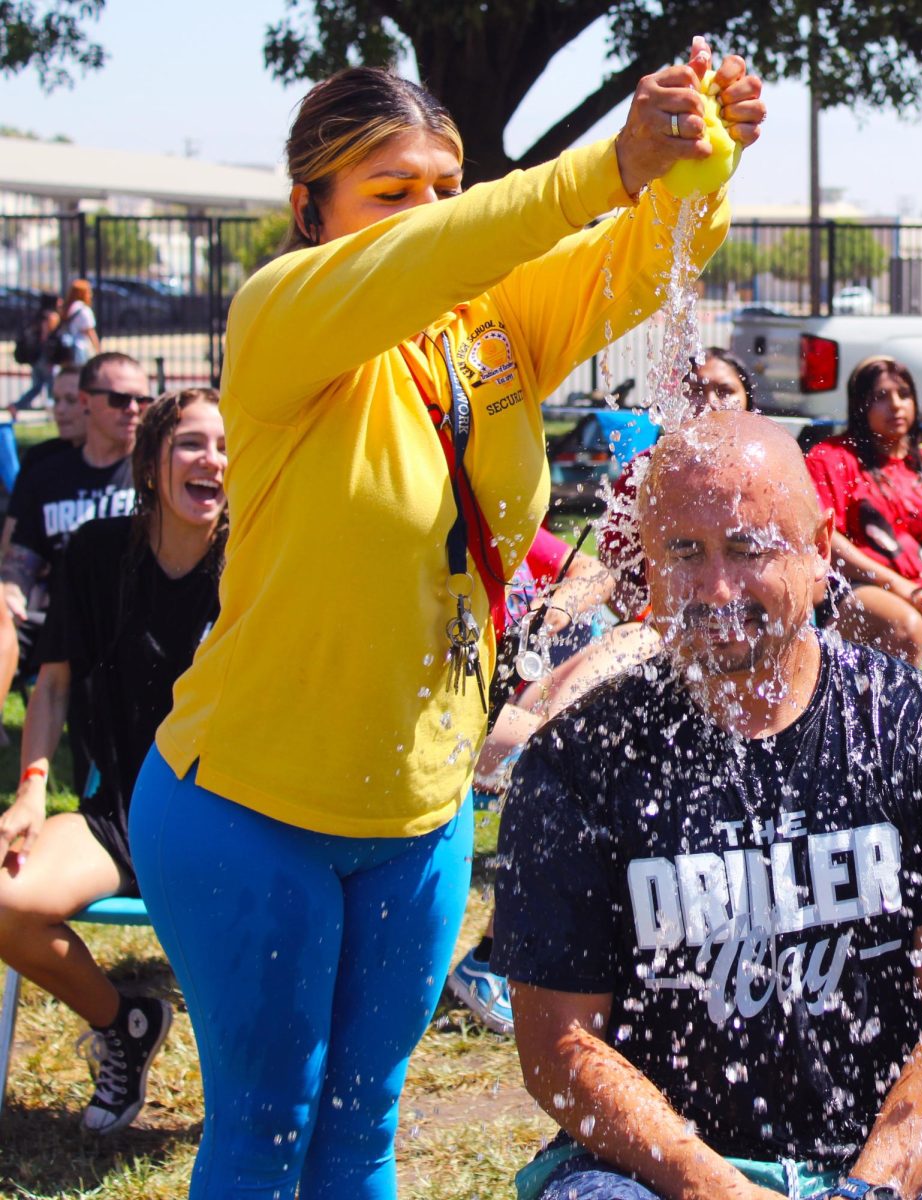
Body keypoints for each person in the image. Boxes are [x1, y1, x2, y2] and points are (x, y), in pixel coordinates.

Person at [127, 47, 765, 1200]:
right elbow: (459, 246)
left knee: (365, 1130)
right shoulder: (280, 315)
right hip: (241, 809)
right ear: (307, 211)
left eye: (443, 185)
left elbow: (631, 263)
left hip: (420, 817)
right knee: (266, 1127)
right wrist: (606, 164)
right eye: (388, 189)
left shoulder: (488, 328)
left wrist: (695, 159)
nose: (427, 212)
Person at [493, 410, 922, 1200]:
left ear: (821, 552)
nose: (717, 589)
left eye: (750, 548)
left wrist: (868, 1190)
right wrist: (706, 1184)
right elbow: (558, 1045)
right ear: (646, 563)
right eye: (685, 551)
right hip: (650, 1174)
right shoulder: (579, 762)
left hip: (889, 1165)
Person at [0, 388, 226, 1136]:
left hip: (237, 824)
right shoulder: (99, 553)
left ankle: (267, 1102)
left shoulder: (257, 563)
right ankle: (124, 1026)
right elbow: (54, 682)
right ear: (152, 461)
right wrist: (32, 791)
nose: (213, 460)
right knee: (4, 898)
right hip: (122, 814)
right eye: (192, 443)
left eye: (226, 446)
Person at [449, 526, 615, 1034]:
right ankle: (494, 958)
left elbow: (596, 573)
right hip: (451, 711)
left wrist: (555, 611)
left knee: (638, 638)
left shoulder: (503, 515)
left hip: (518, 700)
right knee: (569, 762)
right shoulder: (439, 518)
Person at [1, 351, 146, 791]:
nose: (135, 410)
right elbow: (19, 560)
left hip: (127, 617)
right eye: (121, 399)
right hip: (55, 614)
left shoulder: (152, 470)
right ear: (87, 401)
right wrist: (9, 591)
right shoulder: (48, 474)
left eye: (143, 399)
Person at [805, 356, 922, 666]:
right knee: (906, 626)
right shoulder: (831, 457)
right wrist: (898, 585)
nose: (896, 405)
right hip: (852, 589)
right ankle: (895, 714)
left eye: (904, 394)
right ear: (860, 405)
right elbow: (826, 539)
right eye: (881, 397)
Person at [600, 346, 757, 620]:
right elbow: (613, 566)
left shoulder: (771, 470)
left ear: (748, 402)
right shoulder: (644, 471)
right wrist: (652, 624)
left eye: (724, 391)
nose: (709, 403)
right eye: (694, 391)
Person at [0, 365, 89, 746]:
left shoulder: (135, 467)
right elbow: (13, 545)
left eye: (72, 400)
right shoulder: (41, 463)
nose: (60, 410)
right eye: (56, 400)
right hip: (46, 603)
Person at [12, 292, 61, 412]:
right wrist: (50, 356)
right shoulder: (50, 316)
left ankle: (18, 405)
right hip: (45, 355)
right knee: (50, 383)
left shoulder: (38, 315)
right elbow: (46, 337)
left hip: (36, 355)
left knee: (37, 386)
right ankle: (52, 406)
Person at [57, 279, 100, 366]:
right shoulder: (84, 310)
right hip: (79, 348)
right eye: (89, 291)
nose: (91, 294)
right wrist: (98, 350)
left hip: (66, 347)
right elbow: (90, 331)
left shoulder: (67, 308)